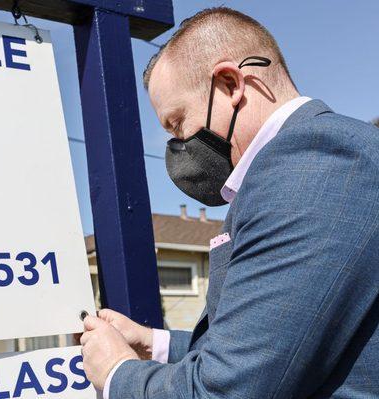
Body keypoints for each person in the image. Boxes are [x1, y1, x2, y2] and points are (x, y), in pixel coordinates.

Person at [80, 7, 379, 398]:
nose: (179, 147)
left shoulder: (314, 159)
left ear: (230, 83)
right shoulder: (298, 164)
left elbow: (229, 390)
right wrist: (157, 344)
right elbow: (278, 350)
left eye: (177, 123)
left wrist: (117, 372)